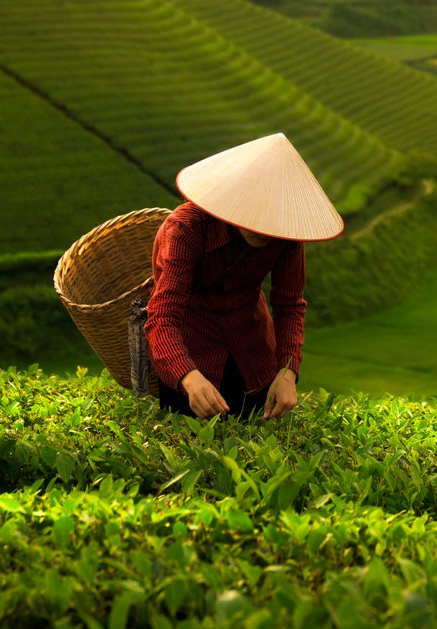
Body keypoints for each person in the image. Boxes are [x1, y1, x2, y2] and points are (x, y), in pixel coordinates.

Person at [144, 133, 344, 420]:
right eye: (254, 214)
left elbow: (290, 305)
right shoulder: (186, 228)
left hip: (253, 358)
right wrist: (188, 377)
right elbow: (161, 316)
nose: (263, 229)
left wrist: (288, 371)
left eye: (273, 218)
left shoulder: (287, 235)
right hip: (190, 358)